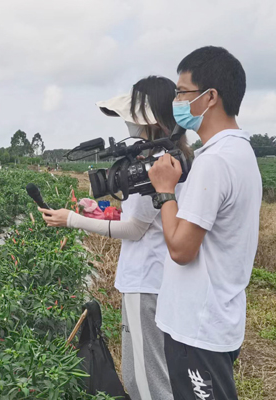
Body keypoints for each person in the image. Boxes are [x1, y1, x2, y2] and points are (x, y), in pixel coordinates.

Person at [40, 76, 192, 400]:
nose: (129, 128)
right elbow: (142, 219)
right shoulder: (172, 156)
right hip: (159, 281)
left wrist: (74, 220)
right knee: (152, 374)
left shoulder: (155, 165)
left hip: (147, 282)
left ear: (150, 122)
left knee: (146, 381)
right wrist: (99, 211)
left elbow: (135, 228)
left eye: (133, 121)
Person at [148, 47, 261, 400]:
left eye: (182, 92)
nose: (177, 101)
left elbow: (182, 249)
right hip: (215, 318)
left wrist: (165, 192)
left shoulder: (215, 162)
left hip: (197, 327)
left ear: (210, 97)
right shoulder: (241, 152)